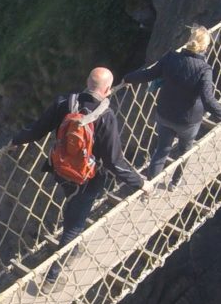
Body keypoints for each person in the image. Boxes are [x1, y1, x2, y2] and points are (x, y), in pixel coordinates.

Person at [8, 67, 144, 285]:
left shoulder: (66, 103)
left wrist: (16, 140)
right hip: (88, 179)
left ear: (87, 82)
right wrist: (140, 184)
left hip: (61, 170)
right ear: (108, 89)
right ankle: (52, 277)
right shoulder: (106, 116)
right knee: (74, 227)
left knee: (72, 205)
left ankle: (73, 243)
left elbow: (38, 129)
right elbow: (113, 161)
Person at [118, 24, 221, 187]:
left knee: (161, 151)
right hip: (188, 121)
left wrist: (127, 78)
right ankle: (174, 182)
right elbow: (207, 99)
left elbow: (149, 74)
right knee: (185, 152)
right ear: (205, 47)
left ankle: (150, 186)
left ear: (189, 41)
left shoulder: (171, 58)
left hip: (165, 114)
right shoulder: (204, 69)